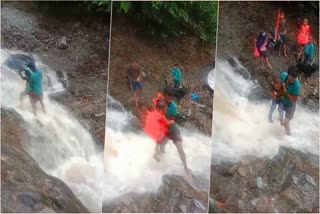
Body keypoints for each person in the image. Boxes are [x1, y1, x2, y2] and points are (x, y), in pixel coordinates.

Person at [158, 87, 191, 176]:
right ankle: (162, 164)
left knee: (180, 148)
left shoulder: (173, 106)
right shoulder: (159, 102)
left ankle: (185, 168)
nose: (169, 99)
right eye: (168, 96)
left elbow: (172, 121)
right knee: (161, 145)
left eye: (171, 97)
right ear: (164, 95)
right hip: (163, 130)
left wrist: (164, 119)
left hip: (172, 130)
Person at [279, 66, 301, 135]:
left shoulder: (296, 86)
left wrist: (286, 92)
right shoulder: (283, 75)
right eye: (290, 78)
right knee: (280, 119)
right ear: (288, 74)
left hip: (290, 106)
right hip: (282, 102)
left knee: (286, 124)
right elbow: (279, 78)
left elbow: (293, 100)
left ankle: (288, 136)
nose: (291, 81)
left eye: (293, 79)